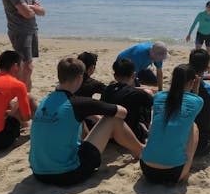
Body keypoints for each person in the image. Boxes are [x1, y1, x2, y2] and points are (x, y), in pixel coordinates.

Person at [29, 57, 144, 186]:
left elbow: (70, 113)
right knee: (112, 120)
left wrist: (92, 115)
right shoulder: (79, 103)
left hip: (38, 172)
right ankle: (141, 151)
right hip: (67, 174)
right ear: (80, 78)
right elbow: (122, 112)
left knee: (78, 119)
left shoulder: (46, 100)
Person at [140, 64, 202, 184]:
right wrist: (196, 90)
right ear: (192, 82)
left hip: (147, 169)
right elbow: (189, 115)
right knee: (193, 126)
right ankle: (187, 164)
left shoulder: (158, 96)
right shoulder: (197, 101)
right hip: (173, 174)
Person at [2, 0, 45, 91]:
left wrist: (30, 7)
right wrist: (32, 9)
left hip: (31, 30)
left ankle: (25, 95)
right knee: (26, 67)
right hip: (20, 32)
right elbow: (26, 13)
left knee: (26, 67)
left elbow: (42, 12)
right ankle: (21, 96)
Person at [101, 58, 154, 143]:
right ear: (133, 75)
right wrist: (148, 92)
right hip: (133, 135)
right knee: (146, 101)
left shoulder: (107, 90)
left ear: (115, 76)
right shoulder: (136, 94)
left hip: (110, 135)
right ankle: (144, 127)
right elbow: (152, 102)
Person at [185, 1, 210, 70]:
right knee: (197, 52)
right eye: (208, 6)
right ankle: (195, 66)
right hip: (200, 34)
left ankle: (209, 68)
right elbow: (194, 24)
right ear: (206, 6)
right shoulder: (200, 14)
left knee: (208, 53)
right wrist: (189, 34)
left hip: (209, 35)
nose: (209, 8)